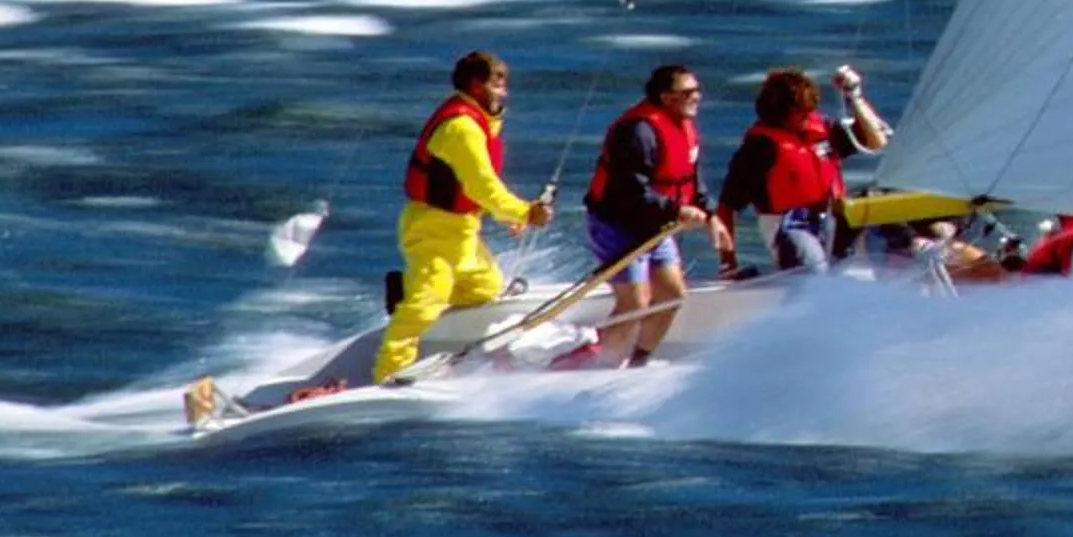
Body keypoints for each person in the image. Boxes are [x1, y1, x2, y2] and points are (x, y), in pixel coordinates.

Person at [375, 50, 553, 384]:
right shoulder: (461, 129)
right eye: (497, 84)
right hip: (433, 229)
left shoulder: (480, 123)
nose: (504, 92)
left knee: (484, 288)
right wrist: (525, 212)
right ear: (475, 85)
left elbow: (472, 188)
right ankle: (389, 372)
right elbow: (482, 186)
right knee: (425, 306)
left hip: (462, 230)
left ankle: (408, 290)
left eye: (505, 84)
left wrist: (506, 216)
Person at [580, 63, 715, 366]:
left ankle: (639, 363)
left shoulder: (683, 128)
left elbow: (692, 179)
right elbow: (629, 191)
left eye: (697, 90)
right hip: (617, 223)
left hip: (655, 224)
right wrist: (677, 210)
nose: (697, 97)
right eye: (688, 92)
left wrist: (710, 213)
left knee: (672, 294)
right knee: (635, 303)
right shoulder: (638, 132)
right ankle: (599, 368)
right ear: (666, 97)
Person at [715, 64, 889, 275]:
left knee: (884, 206)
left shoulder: (822, 130)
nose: (809, 115)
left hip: (833, 216)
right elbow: (726, 207)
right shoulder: (760, 148)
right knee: (816, 272)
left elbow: (877, 141)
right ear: (779, 112)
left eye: (811, 108)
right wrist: (728, 262)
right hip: (791, 226)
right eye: (801, 111)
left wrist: (854, 96)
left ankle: (902, 270)